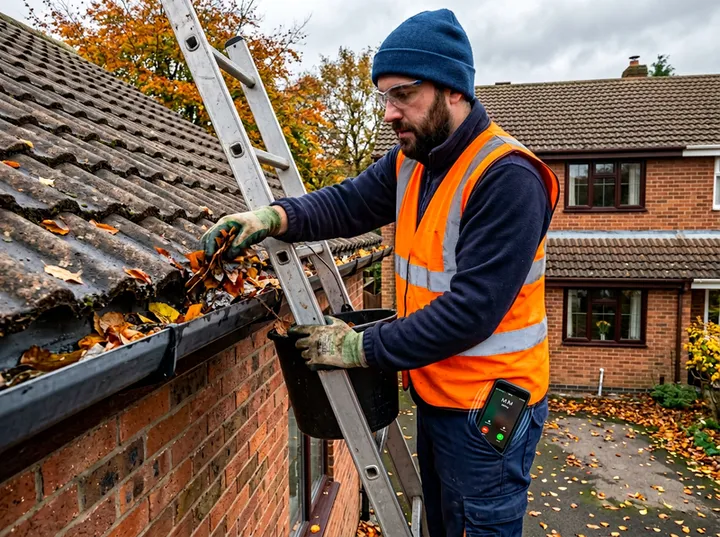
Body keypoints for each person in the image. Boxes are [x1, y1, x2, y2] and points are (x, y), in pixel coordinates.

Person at [200, 8, 559, 537]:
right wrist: (270, 217)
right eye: (383, 97)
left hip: (489, 409)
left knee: (474, 526)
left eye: (403, 95)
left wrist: (357, 348)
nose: (389, 113)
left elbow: (470, 312)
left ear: (453, 90)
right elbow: (347, 203)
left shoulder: (507, 178)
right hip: (441, 394)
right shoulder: (416, 159)